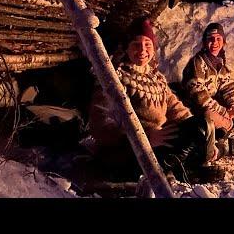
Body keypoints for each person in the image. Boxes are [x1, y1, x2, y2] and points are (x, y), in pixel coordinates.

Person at [87, 17, 224, 184]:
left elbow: (177, 109)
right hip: (130, 151)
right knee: (189, 140)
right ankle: (183, 171)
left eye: (148, 44)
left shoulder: (156, 78)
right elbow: (100, 124)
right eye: (136, 44)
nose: (142, 50)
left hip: (159, 141)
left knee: (203, 124)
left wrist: (206, 138)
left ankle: (187, 167)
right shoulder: (113, 78)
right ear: (127, 48)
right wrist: (143, 138)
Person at [182, 22, 234, 144]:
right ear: (204, 42)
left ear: (223, 42)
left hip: (214, 102)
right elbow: (198, 96)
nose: (215, 42)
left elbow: (228, 87)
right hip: (197, 107)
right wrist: (224, 111)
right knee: (209, 115)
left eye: (218, 39)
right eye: (210, 39)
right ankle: (230, 124)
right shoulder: (197, 62)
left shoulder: (220, 62)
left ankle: (227, 122)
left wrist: (233, 106)